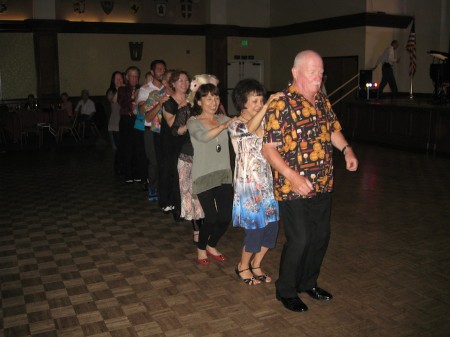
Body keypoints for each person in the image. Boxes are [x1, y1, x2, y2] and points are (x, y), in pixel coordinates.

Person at [262, 50, 358, 312]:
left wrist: (346, 149)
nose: (318, 77)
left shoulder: (322, 101)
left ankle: (308, 282)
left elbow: (333, 131)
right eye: (312, 72)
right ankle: (286, 290)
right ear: (295, 73)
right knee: (301, 239)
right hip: (292, 186)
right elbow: (268, 150)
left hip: (323, 183)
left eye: (320, 72)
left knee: (320, 237)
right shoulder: (281, 104)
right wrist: (292, 177)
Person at [229, 79, 282, 285]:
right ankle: (242, 266)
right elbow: (248, 130)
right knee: (255, 230)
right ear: (243, 103)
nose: (260, 104)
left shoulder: (266, 123)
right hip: (248, 186)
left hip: (267, 185)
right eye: (255, 101)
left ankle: (256, 264)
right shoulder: (235, 124)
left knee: (272, 229)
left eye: (261, 100)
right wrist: (268, 106)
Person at [187, 84, 234, 265]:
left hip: (223, 174)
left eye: (216, 97)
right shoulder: (193, 122)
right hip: (203, 175)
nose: (214, 102)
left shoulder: (223, 118)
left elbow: (242, 125)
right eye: (208, 98)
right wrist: (224, 126)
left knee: (225, 217)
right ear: (199, 102)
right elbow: (204, 137)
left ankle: (211, 244)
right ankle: (201, 248)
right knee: (211, 218)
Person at [137, 60, 170, 202]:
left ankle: (164, 188)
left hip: (167, 129)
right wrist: (156, 102)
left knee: (165, 159)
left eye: (163, 69)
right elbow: (141, 110)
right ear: (152, 72)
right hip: (150, 128)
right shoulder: (145, 89)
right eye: (158, 69)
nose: (161, 72)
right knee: (154, 160)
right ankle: (152, 187)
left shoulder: (169, 88)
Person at [161, 70, 191, 222]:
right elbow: (172, 123)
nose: (184, 83)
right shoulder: (168, 102)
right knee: (175, 173)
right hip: (172, 141)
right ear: (173, 83)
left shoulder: (192, 99)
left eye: (186, 80)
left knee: (187, 174)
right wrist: (182, 107)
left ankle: (187, 206)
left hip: (188, 140)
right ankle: (176, 206)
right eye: (180, 80)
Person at [118, 66, 140, 183]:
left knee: (137, 146)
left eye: (136, 76)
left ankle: (137, 172)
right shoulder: (122, 89)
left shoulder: (141, 88)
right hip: (126, 119)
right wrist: (133, 97)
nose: (134, 78)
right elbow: (122, 103)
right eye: (131, 76)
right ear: (126, 77)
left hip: (138, 119)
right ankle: (128, 173)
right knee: (127, 147)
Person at [106, 71, 124, 175]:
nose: (119, 80)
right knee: (118, 147)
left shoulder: (126, 90)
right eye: (116, 78)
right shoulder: (111, 91)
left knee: (123, 147)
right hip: (115, 124)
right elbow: (113, 100)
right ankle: (118, 168)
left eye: (120, 78)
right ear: (113, 80)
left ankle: (122, 167)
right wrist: (119, 89)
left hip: (125, 123)